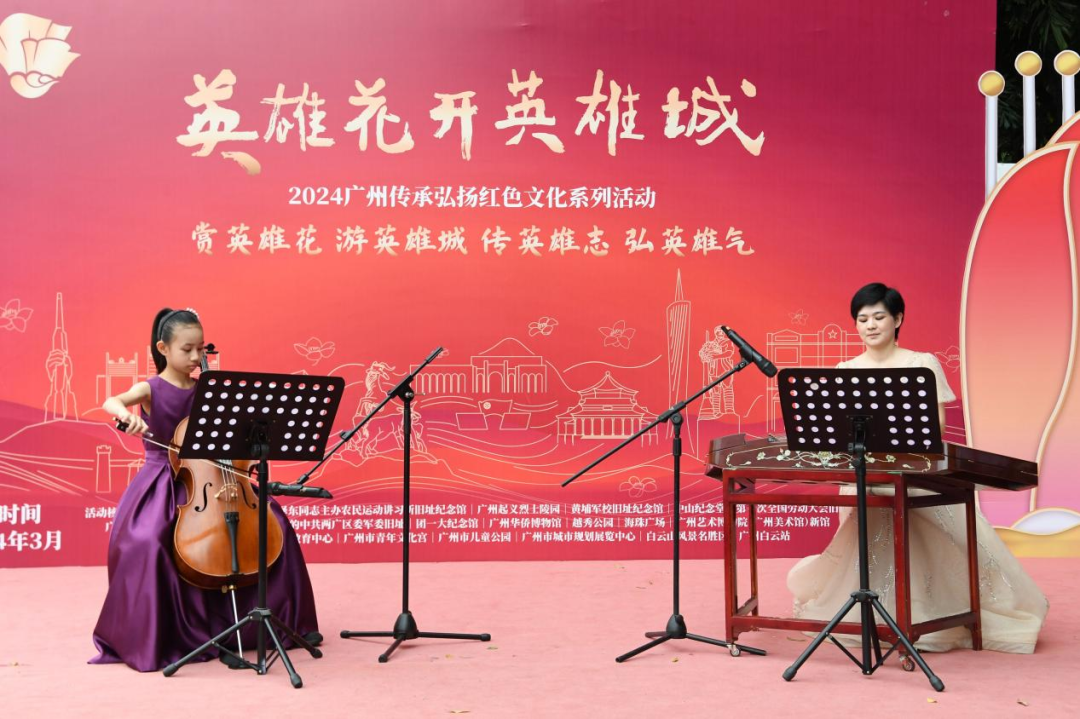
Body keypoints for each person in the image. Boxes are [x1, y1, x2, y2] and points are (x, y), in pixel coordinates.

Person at [786, 283, 1048, 653]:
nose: (870, 325)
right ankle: (878, 614)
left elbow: (935, 427)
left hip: (915, 474)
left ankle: (933, 616)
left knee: (931, 538)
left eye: (879, 317)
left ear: (898, 319)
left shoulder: (921, 363)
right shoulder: (846, 370)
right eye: (862, 319)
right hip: (866, 474)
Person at [90, 308, 320, 671]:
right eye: (187, 350)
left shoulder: (208, 389)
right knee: (149, 540)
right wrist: (126, 414)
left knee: (273, 521)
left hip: (214, 477)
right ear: (163, 348)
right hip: (164, 479)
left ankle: (277, 622)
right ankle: (162, 634)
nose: (197, 357)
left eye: (201, 349)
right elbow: (112, 401)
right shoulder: (151, 388)